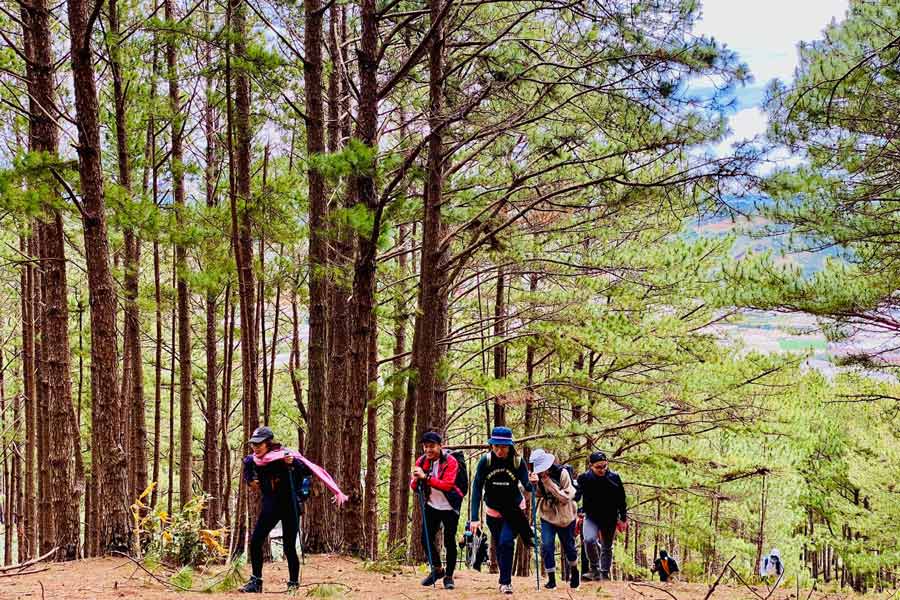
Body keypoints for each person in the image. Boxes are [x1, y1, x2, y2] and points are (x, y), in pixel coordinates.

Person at [239, 426, 347, 593]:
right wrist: (250, 481)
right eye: (254, 444)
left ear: (268, 443)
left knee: (289, 546)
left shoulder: (285, 455)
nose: (256, 447)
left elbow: (307, 470)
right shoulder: (253, 460)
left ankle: (293, 584)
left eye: (259, 444)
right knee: (255, 542)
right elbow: (247, 468)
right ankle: (256, 582)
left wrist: (292, 463)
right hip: (270, 506)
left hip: (290, 506)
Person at [469, 426, 534, 595]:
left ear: (510, 446)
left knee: (506, 541)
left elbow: (527, 485)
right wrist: (474, 517)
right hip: (493, 510)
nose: (499, 450)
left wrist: (532, 482)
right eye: (496, 446)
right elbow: (476, 488)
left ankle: (506, 582)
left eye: (503, 447)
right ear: (491, 445)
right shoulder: (486, 461)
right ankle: (503, 578)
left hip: (513, 510)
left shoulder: (517, 462)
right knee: (499, 545)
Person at [410, 431, 464, 589]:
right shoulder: (422, 461)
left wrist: (425, 478)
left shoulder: (451, 461)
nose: (428, 450)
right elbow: (414, 486)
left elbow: (447, 485)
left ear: (440, 446)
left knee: (449, 541)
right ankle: (438, 569)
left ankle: (449, 577)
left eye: (432, 446)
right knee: (425, 538)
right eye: (426, 446)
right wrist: (415, 480)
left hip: (450, 506)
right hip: (432, 505)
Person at [529, 449, 580, 589]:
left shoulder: (562, 473)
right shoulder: (537, 477)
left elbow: (565, 498)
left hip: (565, 516)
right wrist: (531, 485)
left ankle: (575, 572)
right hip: (547, 515)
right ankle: (551, 579)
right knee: (547, 545)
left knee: (569, 547)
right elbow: (533, 495)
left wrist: (548, 483)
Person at [576, 451, 627, 582]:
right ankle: (594, 569)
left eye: (604, 466)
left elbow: (621, 499)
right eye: (598, 467)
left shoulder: (614, 477)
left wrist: (623, 518)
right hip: (591, 516)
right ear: (591, 466)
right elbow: (576, 496)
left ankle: (604, 573)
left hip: (610, 517)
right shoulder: (584, 478)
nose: (602, 470)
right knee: (589, 540)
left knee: (607, 546)